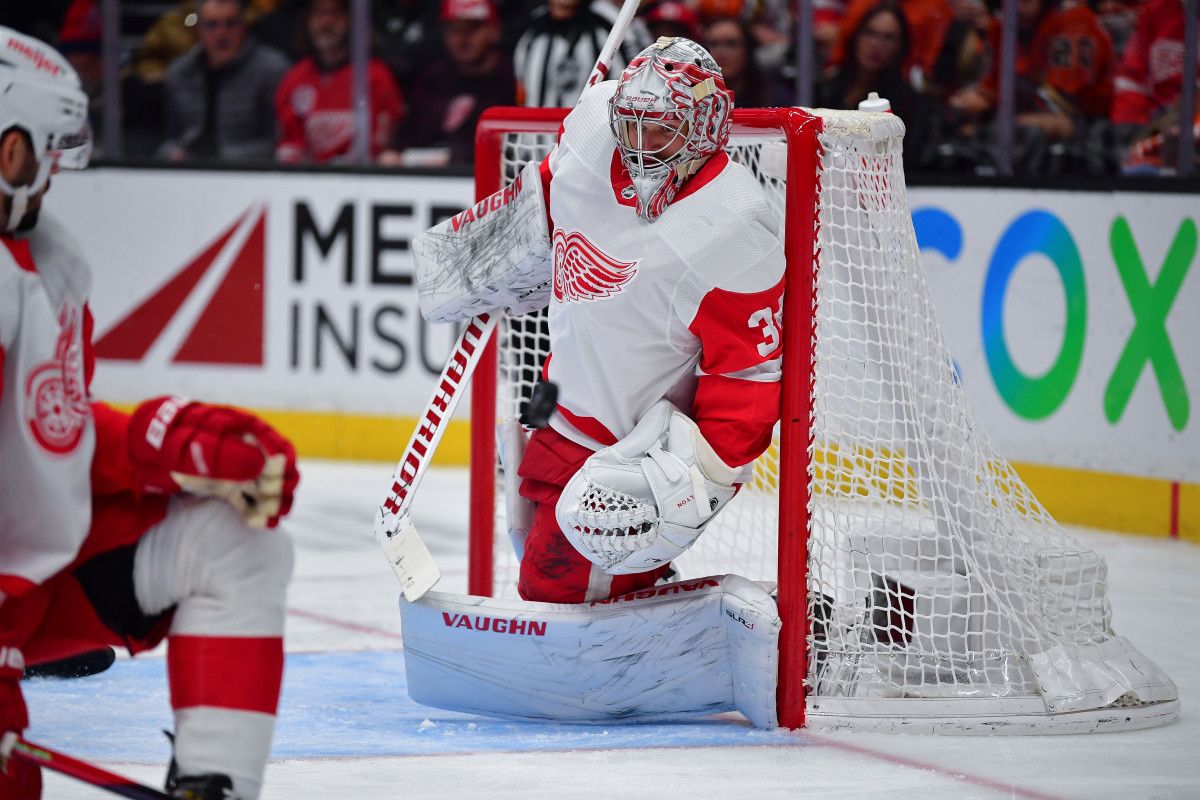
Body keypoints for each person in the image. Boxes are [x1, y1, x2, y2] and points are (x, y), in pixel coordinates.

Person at [0, 27, 298, 800]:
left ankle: (214, 782)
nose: (50, 188)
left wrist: (158, 442)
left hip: (26, 589)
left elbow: (39, 430)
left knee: (235, 542)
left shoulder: (42, 265)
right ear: (12, 152)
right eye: (48, 167)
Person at [512, 38, 785, 602]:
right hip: (560, 417)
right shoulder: (591, 131)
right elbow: (547, 195)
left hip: (633, 459)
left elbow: (748, 381)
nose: (639, 146)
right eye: (630, 125)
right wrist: (495, 251)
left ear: (704, 126)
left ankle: (788, 621)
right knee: (533, 559)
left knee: (556, 594)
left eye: (659, 130)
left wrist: (696, 483)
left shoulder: (732, 228)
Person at [381, 0, 516, 166]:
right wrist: (394, 152)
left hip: (487, 179)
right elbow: (407, 133)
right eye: (454, 30)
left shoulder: (511, 77)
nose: (462, 39)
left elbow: (512, 146)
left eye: (472, 29)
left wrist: (457, 157)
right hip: (426, 180)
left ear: (495, 31)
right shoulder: (435, 76)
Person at [275, 0, 405, 163]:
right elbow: (290, 144)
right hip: (308, 181)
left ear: (351, 20)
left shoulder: (375, 77)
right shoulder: (295, 79)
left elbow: (379, 145)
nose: (326, 22)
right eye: (319, 14)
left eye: (335, 14)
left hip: (359, 181)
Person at [160, 0, 291, 161]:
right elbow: (168, 138)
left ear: (243, 26)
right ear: (198, 30)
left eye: (230, 23)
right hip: (188, 172)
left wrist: (219, 158)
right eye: (212, 25)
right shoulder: (179, 73)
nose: (221, 33)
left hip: (250, 173)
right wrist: (172, 153)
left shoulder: (271, 69)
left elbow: (279, 142)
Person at [514, 0, 651, 107]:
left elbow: (641, 80)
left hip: (597, 136)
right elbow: (522, 90)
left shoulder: (614, 22)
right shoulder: (531, 30)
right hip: (538, 139)